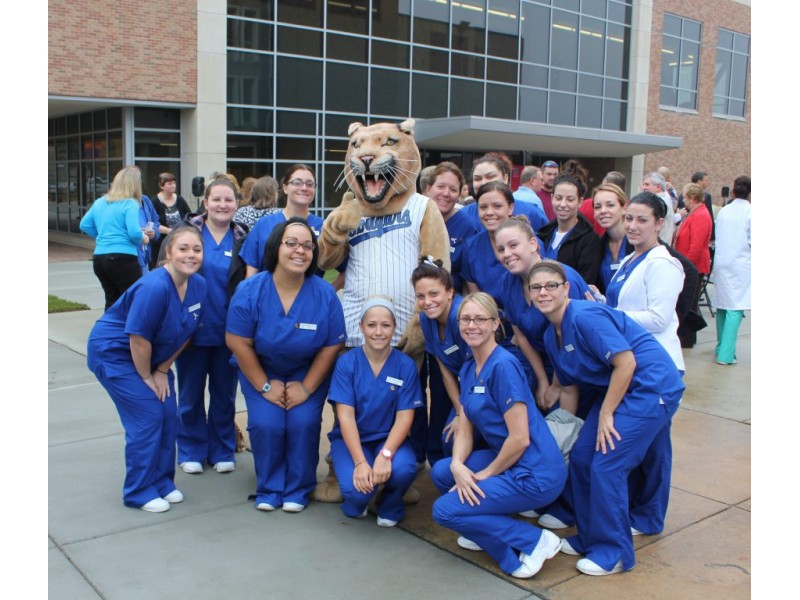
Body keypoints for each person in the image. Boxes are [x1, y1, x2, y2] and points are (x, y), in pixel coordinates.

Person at [529, 261, 684, 576]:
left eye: (551, 286)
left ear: (566, 288)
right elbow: (568, 383)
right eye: (536, 288)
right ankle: (590, 536)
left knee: (607, 463)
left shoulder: (585, 316)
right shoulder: (550, 335)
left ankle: (614, 553)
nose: (543, 292)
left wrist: (606, 413)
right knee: (582, 457)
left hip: (649, 386)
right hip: (619, 390)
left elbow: (626, 363)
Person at [430, 292, 566, 579]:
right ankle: (485, 531)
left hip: (535, 471)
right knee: (443, 472)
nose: (472, 326)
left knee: (445, 511)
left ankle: (534, 541)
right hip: (510, 460)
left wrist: (485, 474)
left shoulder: (503, 366)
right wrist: (457, 463)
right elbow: (465, 424)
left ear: (495, 324)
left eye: (480, 319)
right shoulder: (469, 366)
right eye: (465, 319)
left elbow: (520, 438)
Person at [226, 217, 346, 512]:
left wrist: (306, 388)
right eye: (291, 243)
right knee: (267, 424)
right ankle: (270, 487)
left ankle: (298, 488)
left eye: (307, 246)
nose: (300, 251)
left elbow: (332, 345)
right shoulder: (250, 290)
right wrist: (265, 386)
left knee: (303, 423)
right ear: (275, 247)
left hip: (307, 372)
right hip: (261, 370)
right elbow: (238, 342)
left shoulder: (324, 294)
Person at [87, 226, 207, 512]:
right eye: (183, 248)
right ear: (168, 253)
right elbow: (138, 339)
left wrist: (162, 370)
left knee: (167, 412)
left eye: (197, 249)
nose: (191, 255)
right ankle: (138, 491)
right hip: (116, 354)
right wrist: (146, 377)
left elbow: (188, 331)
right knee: (149, 416)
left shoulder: (199, 285)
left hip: (153, 358)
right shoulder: (154, 287)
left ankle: (162, 482)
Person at [176, 178, 249, 475]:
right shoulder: (187, 234)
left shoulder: (243, 239)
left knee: (224, 396)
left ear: (237, 204)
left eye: (228, 200)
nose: (222, 205)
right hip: (191, 334)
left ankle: (221, 448)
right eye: (216, 199)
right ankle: (191, 449)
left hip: (228, 334)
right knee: (190, 395)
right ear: (205, 203)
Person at [327, 298, 421, 527]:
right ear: (361, 327)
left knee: (404, 469)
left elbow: (405, 416)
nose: (378, 332)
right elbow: (346, 417)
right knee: (358, 492)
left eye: (385, 325)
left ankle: (389, 503)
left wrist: (385, 455)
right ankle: (357, 503)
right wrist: (360, 463)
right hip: (351, 441)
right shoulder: (347, 363)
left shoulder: (405, 365)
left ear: (395, 327)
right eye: (371, 325)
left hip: (387, 440)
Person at [493, 217, 589, 411]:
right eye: (501, 249)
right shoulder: (507, 282)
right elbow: (521, 336)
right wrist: (542, 381)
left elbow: (569, 342)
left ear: (533, 244)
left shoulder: (560, 279)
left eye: (513, 245)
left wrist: (555, 385)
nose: (507, 254)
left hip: (577, 364)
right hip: (543, 362)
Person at [587, 191, 685, 373]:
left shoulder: (663, 264)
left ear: (659, 224)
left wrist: (609, 313)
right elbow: (625, 305)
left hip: (656, 363)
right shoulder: (630, 259)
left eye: (642, 220)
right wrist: (601, 300)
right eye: (629, 218)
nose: (632, 226)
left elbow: (658, 319)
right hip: (632, 357)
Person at [412, 260, 473, 464]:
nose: (427, 302)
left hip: (484, 383)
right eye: (421, 296)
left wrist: (463, 415)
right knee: (447, 436)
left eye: (434, 294)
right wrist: (459, 410)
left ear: (450, 292)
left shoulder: (462, 317)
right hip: (464, 384)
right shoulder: (426, 319)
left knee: (455, 437)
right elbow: (445, 370)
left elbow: (479, 371)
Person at [80, 166, 149, 311]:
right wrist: (143, 237)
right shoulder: (130, 203)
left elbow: (84, 225)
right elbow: (134, 233)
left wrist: (103, 236)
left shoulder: (100, 202)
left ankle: (109, 325)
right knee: (134, 300)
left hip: (100, 258)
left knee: (112, 301)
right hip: (123, 258)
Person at [239, 164, 324, 277]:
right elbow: (251, 270)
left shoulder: (324, 228)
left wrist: (325, 288)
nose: (304, 188)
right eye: (297, 183)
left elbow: (344, 267)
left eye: (310, 184)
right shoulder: (264, 224)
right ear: (285, 188)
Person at [421, 162, 479, 294]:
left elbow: (470, 280)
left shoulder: (468, 228)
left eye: (453, 190)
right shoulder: (415, 218)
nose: (446, 193)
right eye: (440, 186)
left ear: (459, 195)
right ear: (428, 189)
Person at [712, 176, 750, 365]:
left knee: (722, 305)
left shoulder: (724, 211)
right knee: (736, 307)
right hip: (740, 264)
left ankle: (721, 348)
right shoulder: (751, 212)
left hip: (721, 262)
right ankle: (726, 355)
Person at [537, 174, 602, 285]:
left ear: (580, 202)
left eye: (570, 199)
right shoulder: (544, 234)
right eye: (558, 198)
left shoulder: (590, 240)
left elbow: (585, 282)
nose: (563, 204)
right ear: (552, 198)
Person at [462, 154, 547, 232]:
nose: (483, 183)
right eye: (477, 179)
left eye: (490, 176)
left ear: (505, 178)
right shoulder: (463, 215)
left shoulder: (531, 212)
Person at [674, 183, 713, 348]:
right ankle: (687, 338)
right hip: (690, 265)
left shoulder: (701, 215)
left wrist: (686, 266)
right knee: (688, 302)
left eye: (685, 197)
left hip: (693, 268)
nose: (683, 200)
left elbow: (696, 246)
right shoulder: (696, 213)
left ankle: (687, 339)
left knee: (689, 303)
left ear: (691, 198)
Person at [590, 183, 630, 295]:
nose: (603, 210)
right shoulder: (597, 246)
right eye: (598, 207)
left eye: (610, 205)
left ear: (624, 208)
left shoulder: (639, 242)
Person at [150, 172, 191, 269]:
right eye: (169, 184)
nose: (173, 186)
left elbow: (189, 216)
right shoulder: (155, 202)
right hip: (161, 243)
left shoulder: (179, 199)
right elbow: (152, 223)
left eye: (174, 183)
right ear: (161, 186)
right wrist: (170, 231)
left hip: (180, 239)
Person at [641, 172, 678, 245]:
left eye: (647, 184)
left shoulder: (658, 202)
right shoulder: (664, 199)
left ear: (658, 187)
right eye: (643, 184)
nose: (643, 188)